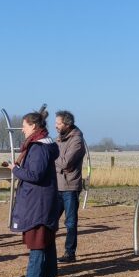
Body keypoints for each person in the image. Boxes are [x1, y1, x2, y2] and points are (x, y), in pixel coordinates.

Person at [10, 109, 59, 277]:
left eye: (24, 126)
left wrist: (14, 170)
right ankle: (49, 274)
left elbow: (35, 175)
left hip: (38, 201)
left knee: (37, 238)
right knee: (46, 237)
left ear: (33, 126)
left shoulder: (38, 148)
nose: (22, 130)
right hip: (42, 199)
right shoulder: (43, 145)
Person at [54, 110, 86, 263]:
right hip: (56, 185)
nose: (56, 126)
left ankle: (70, 252)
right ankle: (48, 249)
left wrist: (52, 159)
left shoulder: (77, 140)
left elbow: (66, 163)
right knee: (50, 219)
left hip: (70, 186)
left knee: (71, 222)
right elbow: (58, 159)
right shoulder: (59, 138)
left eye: (58, 123)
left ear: (67, 124)